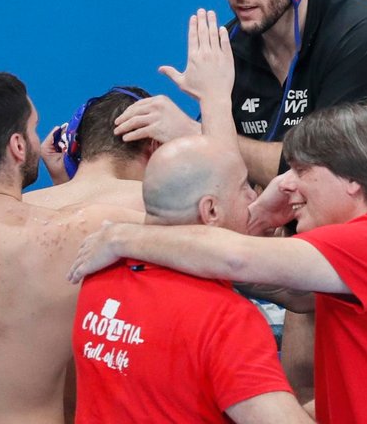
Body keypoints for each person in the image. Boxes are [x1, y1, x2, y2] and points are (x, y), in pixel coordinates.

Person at [67, 14, 367, 424]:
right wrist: (252, 217)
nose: (286, 186)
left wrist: (125, 237)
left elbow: (239, 261)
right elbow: (284, 289)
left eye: (301, 173)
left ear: (352, 182)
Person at [111, 0, 367, 398]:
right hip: (301, 249)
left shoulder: (356, 31)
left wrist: (200, 130)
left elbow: (327, 176)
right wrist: (199, 136)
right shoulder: (234, 46)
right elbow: (230, 193)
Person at [73, 134, 311, 423]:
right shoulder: (227, 320)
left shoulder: (98, 275)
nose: (255, 198)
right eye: (245, 187)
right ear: (210, 210)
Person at [0, 72, 141, 424]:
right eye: (33, 127)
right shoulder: (71, 231)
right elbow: (213, 224)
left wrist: (61, 184)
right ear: (17, 145)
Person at [25, 86, 153, 212]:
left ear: (73, 146)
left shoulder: (24, 205)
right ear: (154, 145)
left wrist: (61, 183)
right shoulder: (156, 205)